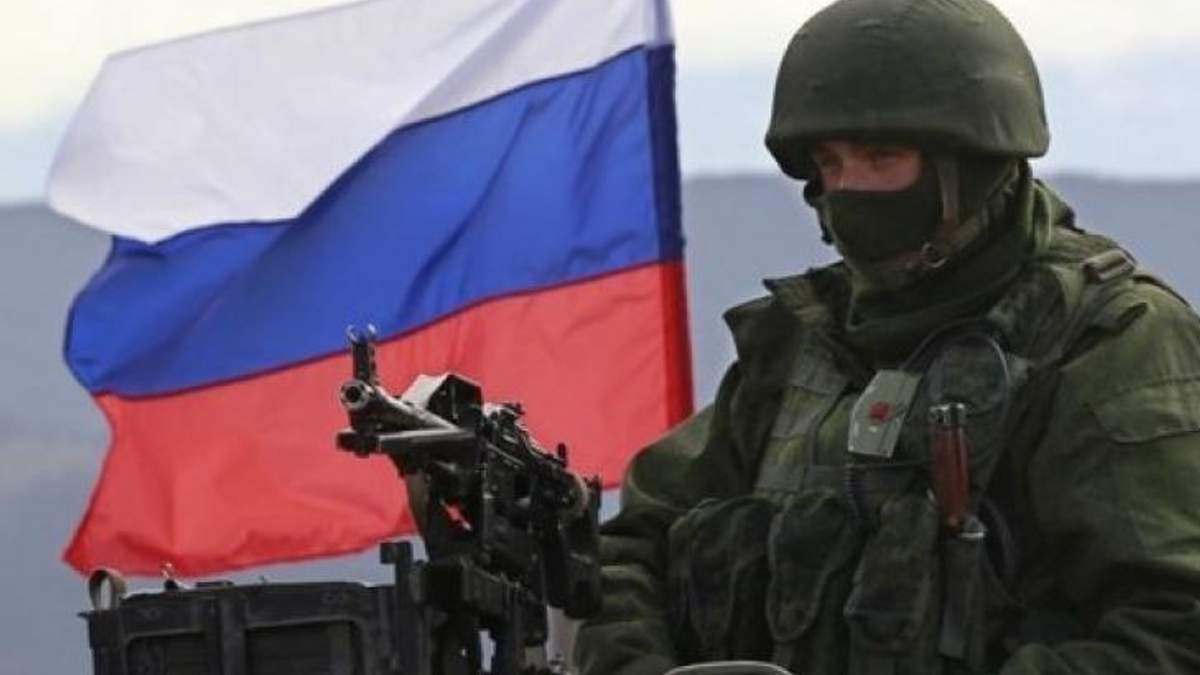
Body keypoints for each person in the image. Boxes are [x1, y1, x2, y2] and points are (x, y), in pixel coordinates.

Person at [575, 1, 1200, 674]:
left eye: (882, 157)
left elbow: (1175, 631)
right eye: (830, 162)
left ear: (972, 165)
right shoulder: (798, 346)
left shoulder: (1109, 344)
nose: (849, 189)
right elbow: (633, 547)